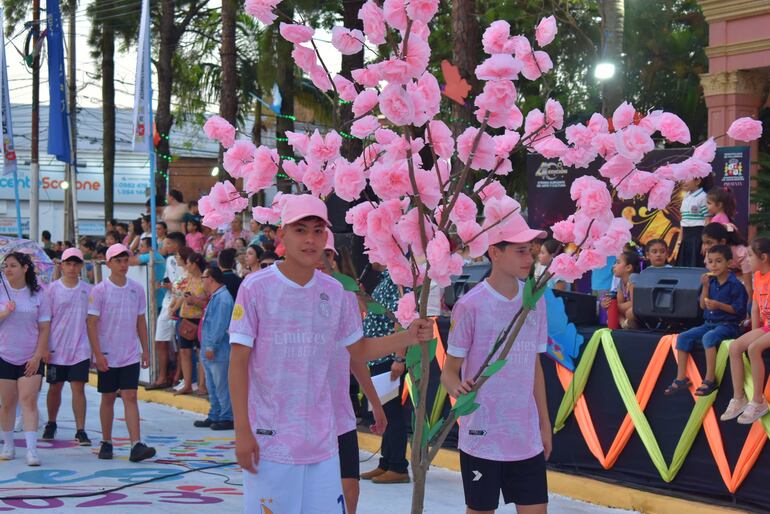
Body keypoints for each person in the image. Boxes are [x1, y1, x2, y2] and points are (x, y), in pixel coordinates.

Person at [228, 195, 433, 513]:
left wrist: (407, 337)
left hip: (323, 443)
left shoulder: (336, 293)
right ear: (283, 234)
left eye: (317, 230)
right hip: (271, 440)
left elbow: (359, 350)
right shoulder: (255, 288)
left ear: (327, 237)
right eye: (300, 230)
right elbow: (238, 363)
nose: (310, 239)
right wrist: (242, 430)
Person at [441, 214, 551, 514]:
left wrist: (544, 424)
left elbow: (535, 368)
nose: (529, 257)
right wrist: (458, 389)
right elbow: (449, 372)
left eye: (530, 250)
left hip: (525, 436)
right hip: (482, 436)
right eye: (520, 250)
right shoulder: (470, 305)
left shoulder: (535, 301)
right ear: (494, 252)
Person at [319, 229, 386, 513]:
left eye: (327, 253)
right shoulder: (285, 294)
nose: (321, 259)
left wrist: (376, 404)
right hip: (303, 420)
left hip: (340, 415)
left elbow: (356, 357)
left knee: (349, 486)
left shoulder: (344, 297)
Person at [87, 243, 156, 462]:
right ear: (108, 264)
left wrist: (146, 350)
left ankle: (136, 444)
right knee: (108, 397)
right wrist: (97, 354)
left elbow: (140, 322)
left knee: (130, 395)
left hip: (129, 352)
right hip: (107, 353)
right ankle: (106, 441)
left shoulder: (137, 289)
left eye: (125, 260)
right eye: (118, 260)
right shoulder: (99, 291)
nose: (123, 264)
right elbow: (91, 323)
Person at [665, 245, 747, 397]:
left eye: (718, 261)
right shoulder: (711, 282)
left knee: (708, 337)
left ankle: (710, 379)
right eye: (710, 261)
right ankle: (681, 378)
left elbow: (740, 312)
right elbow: (703, 305)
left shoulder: (735, 285)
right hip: (709, 323)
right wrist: (705, 287)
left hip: (729, 325)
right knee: (683, 336)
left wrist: (719, 305)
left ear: (728, 263)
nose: (713, 265)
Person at [359, 264, 412, 484]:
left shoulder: (398, 281)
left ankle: (398, 466)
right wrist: (360, 295)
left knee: (391, 412)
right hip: (378, 354)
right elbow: (374, 311)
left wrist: (399, 357)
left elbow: (401, 320)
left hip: (389, 355)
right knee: (384, 410)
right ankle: (386, 462)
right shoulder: (385, 279)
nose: (370, 259)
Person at [0, 252, 50, 466]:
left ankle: (32, 450)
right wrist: (5, 313)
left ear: (25, 268)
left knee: (29, 401)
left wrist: (38, 356)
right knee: (7, 404)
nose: (8, 269)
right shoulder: (1, 291)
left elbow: (45, 327)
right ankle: (8, 444)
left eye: (13, 265)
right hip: (4, 355)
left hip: (30, 356)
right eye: (5, 266)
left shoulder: (39, 293)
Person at [42, 248, 93, 446]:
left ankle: (80, 430)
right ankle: (51, 422)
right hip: (56, 348)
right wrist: (44, 346)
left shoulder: (88, 291)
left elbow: (93, 321)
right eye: (68, 264)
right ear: (62, 266)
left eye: (76, 264)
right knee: (55, 388)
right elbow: (45, 320)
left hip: (80, 348)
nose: (72, 268)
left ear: (81, 266)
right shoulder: (52, 290)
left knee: (78, 388)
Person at [721, 237, 770, 424]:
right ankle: (738, 397)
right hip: (767, 327)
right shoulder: (758, 276)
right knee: (735, 347)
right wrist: (754, 333)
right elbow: (756, 306)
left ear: (763, 257)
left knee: (754, 349)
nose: (747, 260)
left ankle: (758, 401)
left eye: (750, 255)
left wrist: (757, 341)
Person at [194, 265, 234, 431]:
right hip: (210, 349)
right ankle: (215, 414)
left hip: (218, 350)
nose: (202, 281)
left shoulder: (223, 298)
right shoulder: (215, 297)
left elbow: (219, 325)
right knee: (212, 385)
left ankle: (227, 416)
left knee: (221, 385)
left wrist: (211, 346)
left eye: (203, 277)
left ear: (210, 278)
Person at [144, 232, 185, 390]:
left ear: (176, 244)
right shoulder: (169, 260)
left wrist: (173, 286)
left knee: (181, 343)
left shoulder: (188, 259)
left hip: (181, 303)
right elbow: (169, 280)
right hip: (168, 302)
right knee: (161, 339)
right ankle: (163, 376)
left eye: (168, 243)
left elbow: (186, 283)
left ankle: (177, 376)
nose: (164, 246)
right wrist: (164, 284)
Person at [169, 252, 208, 395]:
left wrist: (195, 301)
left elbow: (208, 301)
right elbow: (182, 296)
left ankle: (202, 384)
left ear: (195, 264)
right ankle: (187, 383)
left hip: (199, 318)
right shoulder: (189, 278)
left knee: (200, 352)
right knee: (184, 351)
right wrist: (174, 308)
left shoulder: (205, 279)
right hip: (186, 317)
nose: (187, 266)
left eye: (189, 264)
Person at [601, 250, 641, 329]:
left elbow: (635, 304)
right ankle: (624, 324)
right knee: (610, 314)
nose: (614, 266)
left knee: (630, 313)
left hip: (637, 310)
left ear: (628, 267)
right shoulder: (621, 282)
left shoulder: (634, 278)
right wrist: (607, 304)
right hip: (626, 312)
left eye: (618, 263)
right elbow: (619, 302)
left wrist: (613, 306)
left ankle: (631, 326)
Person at [677, 177, 709, 267]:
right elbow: (683, 221)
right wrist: (680, 240)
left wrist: (705, 241)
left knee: (696, 265)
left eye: (687, 178)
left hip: (698, 236)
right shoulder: (686, 197)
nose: (683, 181)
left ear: (698, 181)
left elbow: (707, 220)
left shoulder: (703, 197)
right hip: (686, 237)